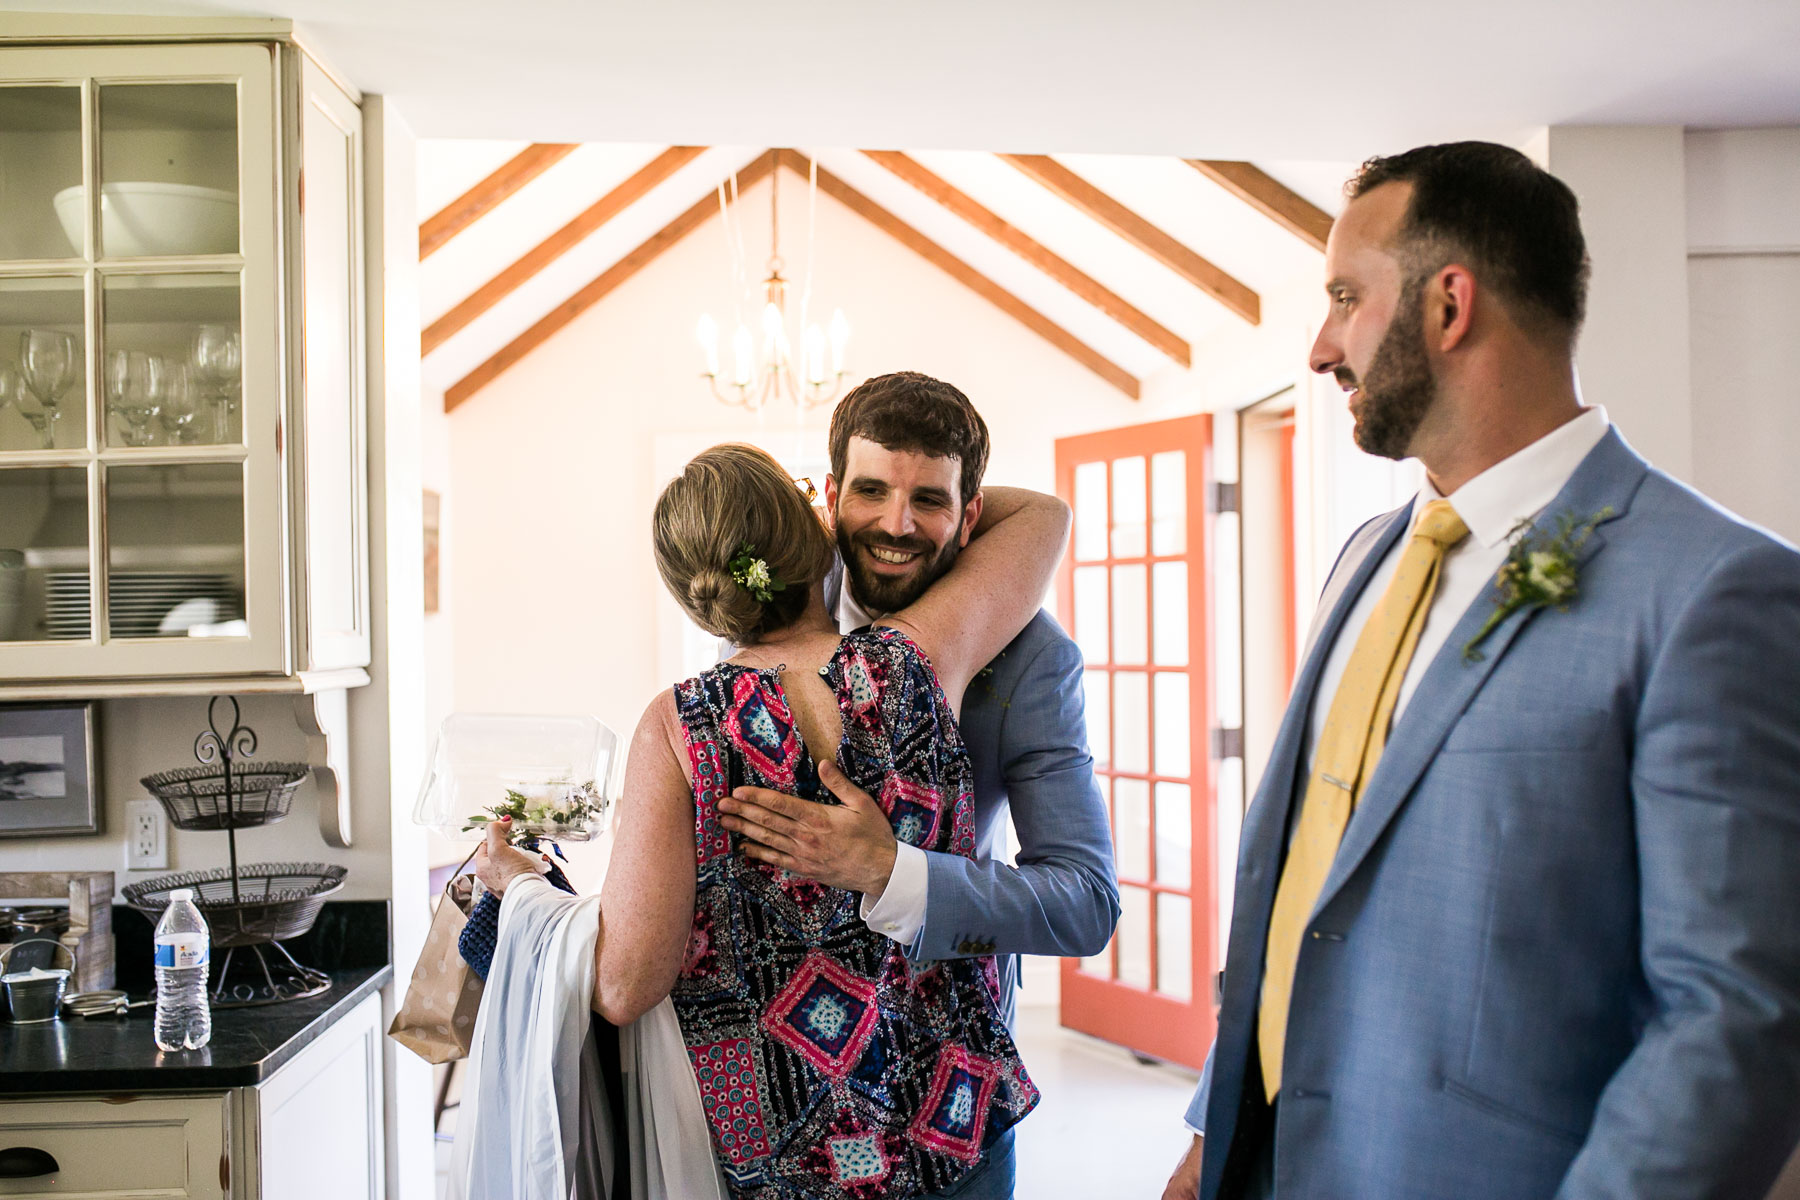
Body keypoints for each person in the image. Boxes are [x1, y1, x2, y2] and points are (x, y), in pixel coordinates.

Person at [1163, 142, 1800, 1200]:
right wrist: (1213, 1135)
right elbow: (1311, 885)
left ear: (1448, 305)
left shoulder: (1713, 591)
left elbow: (1738, 1015)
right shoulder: (1364, 559)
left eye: (1345, 297)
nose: (1321, 347)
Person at [480, 442, 1073, 1199]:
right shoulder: (915, 659)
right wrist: (840, 515)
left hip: (791, 1160)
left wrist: (523, 889)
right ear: (818, 537)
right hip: (955, 1126)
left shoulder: (678, 727)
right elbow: (1041, 517)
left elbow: (626, 984)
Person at [720, 372, 1119, 1034]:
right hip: (776, 1026)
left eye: (929, 500)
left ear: (970, 517)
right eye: (871, 491)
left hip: (951, 1033)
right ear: (831, 497)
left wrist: (889, 871)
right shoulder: (774, 599)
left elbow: (1086, 902)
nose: (895, 525)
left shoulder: (1035, 658)